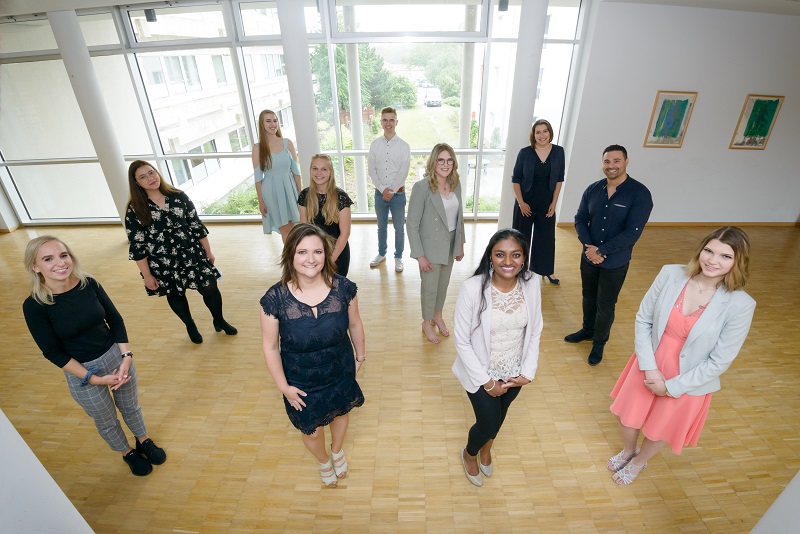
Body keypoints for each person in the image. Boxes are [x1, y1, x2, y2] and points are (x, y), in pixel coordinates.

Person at [606, 227, 755, 485]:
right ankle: (629, 451)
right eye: (709, 251)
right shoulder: (670, 273)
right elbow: (643, 319)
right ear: (700, 250)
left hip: (689, 378)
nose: (712, 260)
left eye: (725, 256)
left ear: (737, 262)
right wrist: (649, 368)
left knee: (660, 427)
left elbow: (720, 361)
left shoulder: (741, 305)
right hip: (650, 362)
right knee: (628, 416)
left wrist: (671, 387)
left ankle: (639, 463)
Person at [22, 236, 167, 477]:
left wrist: (126, 358)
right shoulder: (35, 305)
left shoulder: (88, 283)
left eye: (63, 255)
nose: (60, 263)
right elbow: (52, 352)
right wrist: (94, 379)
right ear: (35, 267)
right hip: (82, 371)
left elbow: (115, 319)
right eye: (48, 259)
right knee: (107, 419)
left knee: (130, 407)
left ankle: (143, 440)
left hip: (115, 356)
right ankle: (127, 452)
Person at [260, 224, 366, 487]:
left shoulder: (344, 288)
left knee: (341, 413)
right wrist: (284, 387)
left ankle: (338, 451)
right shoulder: (274, 299)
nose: (311, 259)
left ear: (326, 254)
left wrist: (360, 357)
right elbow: (270, 347)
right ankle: (323, 460)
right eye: (302, 252)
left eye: (317, 251)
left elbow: (355, 324)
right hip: (301, 380)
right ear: (290, 256)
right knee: (313, 429)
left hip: (339, 367)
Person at [452, 229, 543, 487]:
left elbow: (535, 329)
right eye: (500, 254)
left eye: (515, 255)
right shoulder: (472, 288)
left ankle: (486, 449)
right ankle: (470, 454)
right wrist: (487, 382)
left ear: (524, 257)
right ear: (490, 257)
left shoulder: (532, 282)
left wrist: (527, 371)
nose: (508, 262)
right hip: (481, 372)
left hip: (514, 370)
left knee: (500, 418)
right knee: (488, 421)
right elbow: (462, 340)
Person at [125, 160, 237, 344]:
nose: (150, 179)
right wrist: (146, 275)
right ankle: (190, 325)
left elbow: (196, 225)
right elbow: (138, 246)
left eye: (151, 173)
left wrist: (208, 251)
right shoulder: (135, 209)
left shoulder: (179, 196)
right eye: (143, 177)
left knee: (210, 287)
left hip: (192, 253)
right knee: (176, 294)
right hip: (162, 262)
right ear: (137, 183)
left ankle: (219, 319)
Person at [565, 144, 653, 366]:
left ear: (626, 162)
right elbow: (579, 219)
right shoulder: (593, 189)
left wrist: (601, 251)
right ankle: (587, 330)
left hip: (615, 261)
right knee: (588, 297)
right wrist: (589, 248)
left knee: (605, 304)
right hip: (589, 256)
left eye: (616, 161)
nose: (611, 166)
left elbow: (632, 233)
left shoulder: (640, 194)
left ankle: (599, 343)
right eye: (607, 161)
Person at [407, 143, 466, 344]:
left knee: (443, 285)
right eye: (441, 160)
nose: (445, 164)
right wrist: (419, 255)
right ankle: (426, 322)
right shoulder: (422, 187)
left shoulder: (456, 184)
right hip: (430, 246)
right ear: (433, 162)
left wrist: (461, 243)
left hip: (450, 243)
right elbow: (412, 224)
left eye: (449, 160)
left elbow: (460, 218)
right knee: (430, 287)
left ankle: (438, 316)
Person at [511, 119, 565, 285]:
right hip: (525, 202)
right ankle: (518, 269)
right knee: (521, 237)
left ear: (550, 133)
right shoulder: (525, 153)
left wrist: (554, 203)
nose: (542, 135)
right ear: (533, 135)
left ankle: (546, 270)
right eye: (538, 132)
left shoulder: (558, 151)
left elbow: (559, 180)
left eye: (545, 131)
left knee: (546, 237)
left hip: (547, 202)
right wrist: (521, 203)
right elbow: (516, 179)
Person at [368, 106, 411, 272]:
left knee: (399, 228)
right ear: (381, 122)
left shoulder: (404, 146)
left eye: (391, 120)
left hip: (398, 195)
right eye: (385, 120)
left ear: (396, 122)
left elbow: (404, 171)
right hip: (379, 195)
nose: (388, 123)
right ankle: (381, 253)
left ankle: (398, 257)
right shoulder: (374, 145)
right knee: (381, 226)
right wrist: (382, 189)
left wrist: (391, 190)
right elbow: (372, 170)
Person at [298, 154, 354, 277]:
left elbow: (345, 234)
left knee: (336, 293)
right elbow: (303, 230)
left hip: (337, 252)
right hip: (313, 254)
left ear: (330, 172)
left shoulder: (341, 197)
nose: (319, 173)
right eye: (315, 168)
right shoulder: (304, 195)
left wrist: (328, 260)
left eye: (324, 169)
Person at [252, 109, 302, 243]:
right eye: (268, 121)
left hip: (290, 189)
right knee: (285, 230)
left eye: (275, 120)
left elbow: (296, 171)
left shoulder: (287, 143)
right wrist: (261, 201)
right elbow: (258, 178)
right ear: (261, 124)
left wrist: (300, 193)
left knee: (295, 228)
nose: (273, 124)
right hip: (271, 191)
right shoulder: (257, 148)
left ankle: (295, 259)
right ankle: (291, 262)